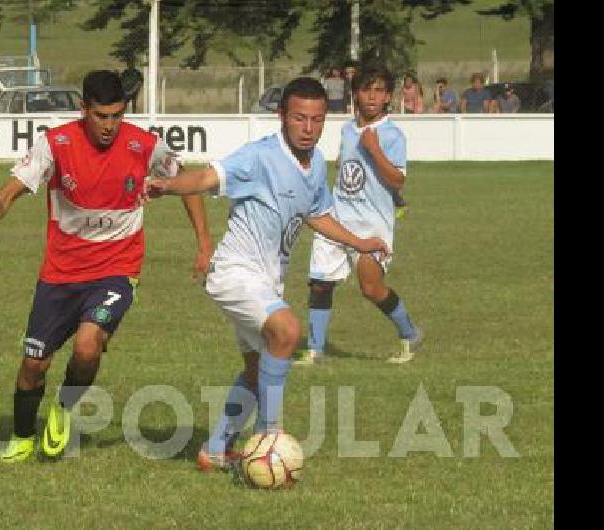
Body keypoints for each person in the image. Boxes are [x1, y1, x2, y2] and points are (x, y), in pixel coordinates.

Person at [0, 70, 212, 463]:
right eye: (101, 116)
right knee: (33, 364)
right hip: (60, 274)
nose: (110, 125)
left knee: (88, 344)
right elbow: (10, 191)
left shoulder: (144, 145)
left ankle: (63, 409)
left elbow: (186, 181)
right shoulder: (55, 145)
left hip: (117, 268)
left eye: (117, 115)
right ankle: (24, 437)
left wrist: (203, 243)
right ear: (83, 109)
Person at [146, 77, 391, 470]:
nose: (308, 129)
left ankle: (215, 450)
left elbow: (319, 215)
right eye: (299, 118)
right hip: (234, 273)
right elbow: (208, 177)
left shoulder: (313, 167)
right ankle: (268, 438)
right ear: (282, 116)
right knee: (288, 331)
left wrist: (360, 243)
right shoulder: (260, 156)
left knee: (258, 369)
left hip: (265, 280)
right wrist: (168, 185)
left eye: (317, 120)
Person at [297, 65, 423, 366]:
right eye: (366, 89)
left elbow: (397, 180)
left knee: (370, 287)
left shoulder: (392, 135)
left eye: (379, 90)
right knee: (320, 283)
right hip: (337, 217)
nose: (371, 96)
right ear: (355, 93)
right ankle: (315, 350)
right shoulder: (346, 129)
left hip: (372, 225)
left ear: (388, 97)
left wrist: (375, 150)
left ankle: (410, 332)